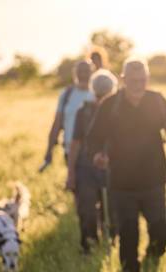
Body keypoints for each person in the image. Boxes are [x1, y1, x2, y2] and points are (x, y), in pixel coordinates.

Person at [88, 59, 166, 272]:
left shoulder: (157, 101)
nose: (138, 84)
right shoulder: (110, 105)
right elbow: (93, 138)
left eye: (142, 79)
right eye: (133, 80)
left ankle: (151, 261)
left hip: (154, 181)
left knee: (161, 233)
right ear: (123, 80)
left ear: (147, 79)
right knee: (128, 234)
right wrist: (97, 155)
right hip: (121, 184)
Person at [65, 69, 118, 253]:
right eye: (100, 94)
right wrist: (71, 172)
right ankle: (89, 247)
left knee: (112, 211)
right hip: (86, 169)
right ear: (93, 92)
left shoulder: (119, 111)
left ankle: (111, 243)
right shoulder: (83, 112)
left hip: (113, 169)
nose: (102, 98)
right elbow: (75, 143)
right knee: (87, 210)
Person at [43, 60, 95, 165]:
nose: (83, 74)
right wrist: (49, 151)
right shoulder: (66, 94)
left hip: (92, 153)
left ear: (92, 73)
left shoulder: (97, 94)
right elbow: (57, 123)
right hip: (70, 151)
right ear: (75, 73)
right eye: (80, 71)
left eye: (86, 71)